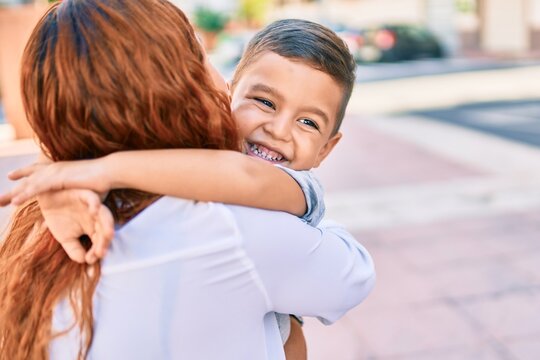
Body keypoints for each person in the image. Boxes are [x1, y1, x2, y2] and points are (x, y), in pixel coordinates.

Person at [0, 1, 375, 359]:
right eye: (200, 55)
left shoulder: (43, 223)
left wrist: (69, 169)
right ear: (173, 88)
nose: (277, 130)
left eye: (308, 122)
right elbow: (351, 276)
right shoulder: (227, 227)